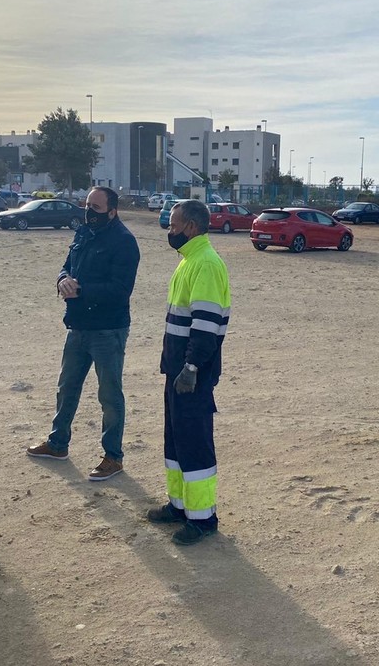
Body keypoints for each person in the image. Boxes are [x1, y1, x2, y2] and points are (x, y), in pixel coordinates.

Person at [27, 186, 140, 481]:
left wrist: (81, 290)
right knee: (67, 387)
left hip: (108, 330)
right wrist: (62, 279)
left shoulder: (124, 242)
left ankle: (113, 457)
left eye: (96, 208)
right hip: (78, 326)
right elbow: (67, 266)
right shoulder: (83, 233)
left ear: (112, 212)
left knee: (109, 395)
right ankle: (57, 444)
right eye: (87, 205)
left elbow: (121, 290)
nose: (89, 212)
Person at [146, 200, 230, 545]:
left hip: (192, 374)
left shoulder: (205, 264)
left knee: (194, 443)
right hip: (177, 370)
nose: (170, 230)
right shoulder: (189, 260)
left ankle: (203, 519)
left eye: (173, 224)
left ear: (191, 227)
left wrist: (192, 367)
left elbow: (206, 325)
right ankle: (179, 506)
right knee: (176, 441)